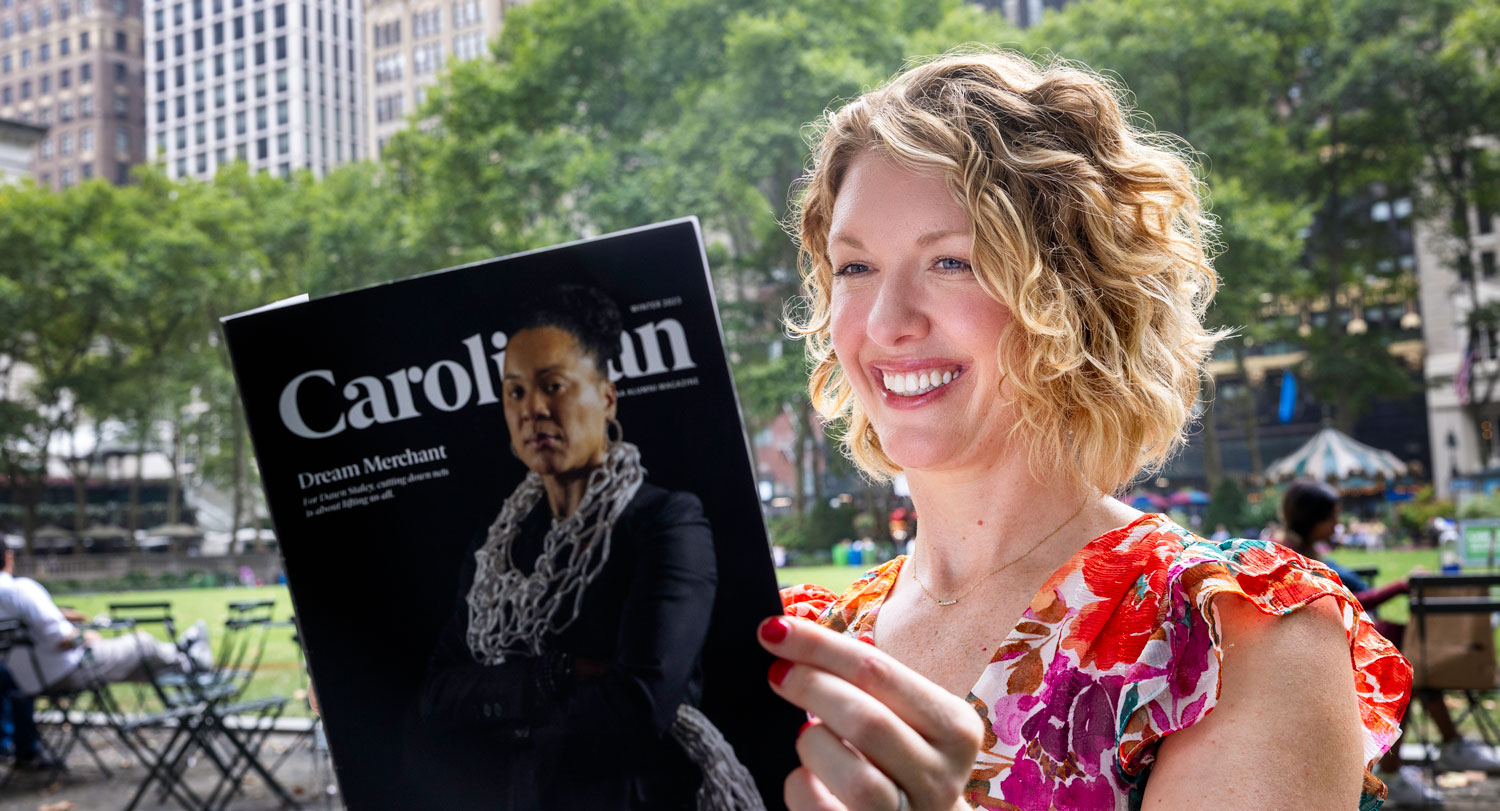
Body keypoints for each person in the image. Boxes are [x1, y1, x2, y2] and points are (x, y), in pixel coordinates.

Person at [760, 51, 1410, 810]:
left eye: (951, 261)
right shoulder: (799, 640)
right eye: (855, 268)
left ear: (1074, 296)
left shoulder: (1232, 636)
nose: (887, 322)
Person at [420, 285, 756, 810]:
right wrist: (555, 675)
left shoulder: (666, 522)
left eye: (552, 385)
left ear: (606, 396)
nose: (532, 409)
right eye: (514, 392)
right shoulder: (497, 549)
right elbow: (439, 696)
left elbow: (642, 704)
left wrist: (503, 703)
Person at [1280, 479, 1500, 806]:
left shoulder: (1309, 552)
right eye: (1334, 517)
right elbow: (1350, 598)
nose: (1338, 523)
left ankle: (1418, 761)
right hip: (1326, 653)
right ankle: (1430, 755)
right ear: (1316, 520)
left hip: (1340, 644)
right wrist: (1402, 585)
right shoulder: (1296, 556)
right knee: (1407, 666)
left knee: (1409, 661)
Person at [0, 548, 209, 697]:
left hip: (26, 680)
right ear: (8, 557)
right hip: (66, 671)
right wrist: (86, 636)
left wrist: (60, 614)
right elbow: (64, 642)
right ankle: (187, 655)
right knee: (142, 643)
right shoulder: (19, 590)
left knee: (138, 668)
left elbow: (25, 623)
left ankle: (185, 661)